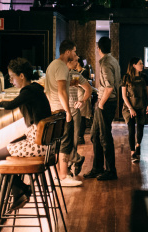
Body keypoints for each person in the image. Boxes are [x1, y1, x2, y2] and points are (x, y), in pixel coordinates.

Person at [0, 58, 52, 211]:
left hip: (37, 145)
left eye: (12, 77)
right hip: (45, 144)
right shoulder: (35, 89)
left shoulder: (28, 91)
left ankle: (22, 190)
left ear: (21, 76)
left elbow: (11, 105)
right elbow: (18, 101)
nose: (11, 81)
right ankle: (20, 191)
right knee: (11, 146)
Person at [44, 40, 82, 186]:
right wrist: (68, 111)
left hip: (52, 109)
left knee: (57, 144)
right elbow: (61, 91)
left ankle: (57, 176)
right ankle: (64, 177)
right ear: (67, 52)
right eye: (74, 51)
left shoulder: (52, 65)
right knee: (65, 144)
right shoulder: (61, 67)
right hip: (61, 110)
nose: (75, 54)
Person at [84, 36, 120, 181]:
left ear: (98, 48)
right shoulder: (114, 60)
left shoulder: (106, 63)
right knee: (95, 135)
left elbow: (109, 87)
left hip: (106, 102)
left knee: (105, 137)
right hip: (108, 101)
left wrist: (100, 103)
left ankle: (111, 171)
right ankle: (97, 168)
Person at [67, 54, 92, 176]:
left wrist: (82, 100)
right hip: (62, 111)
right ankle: (75, 160)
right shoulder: (59, 73)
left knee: (74, 139)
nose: (77, 64)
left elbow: (87, 88)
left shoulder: (74, 75)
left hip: (73, 110)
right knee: (64, 140)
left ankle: (71, 164)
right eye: (75, 61)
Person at [121, 56, 148, 162]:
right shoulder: (126, 77)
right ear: (134, 65)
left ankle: (138, 145)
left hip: (142, 106)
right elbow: (124, 95)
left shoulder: (144, 77)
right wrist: (130, 108)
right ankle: (132, 152)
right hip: (129, 107)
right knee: (131, 129)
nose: (142, 65)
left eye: (142, 63)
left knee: (140, 128)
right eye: (140, 63)